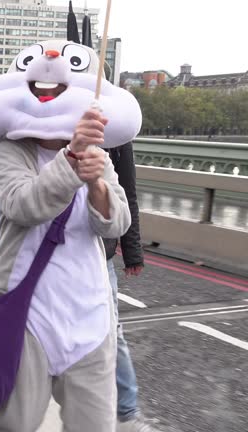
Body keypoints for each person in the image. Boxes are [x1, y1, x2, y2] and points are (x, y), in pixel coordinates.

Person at [0, 36, 141, 431]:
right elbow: (21, 205)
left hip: (88, 315)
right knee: (13, 424)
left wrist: (97, 185)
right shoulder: (11, 151)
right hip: (26, 316)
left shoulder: (99, 153)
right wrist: (71, 158)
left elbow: (116, 222)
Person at [104, 142, 160, 432]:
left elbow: (127, 195)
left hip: (98, 257)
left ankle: (127, 414)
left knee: (112, 333)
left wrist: (132, 250)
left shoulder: (116, 135)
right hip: (46, 254)